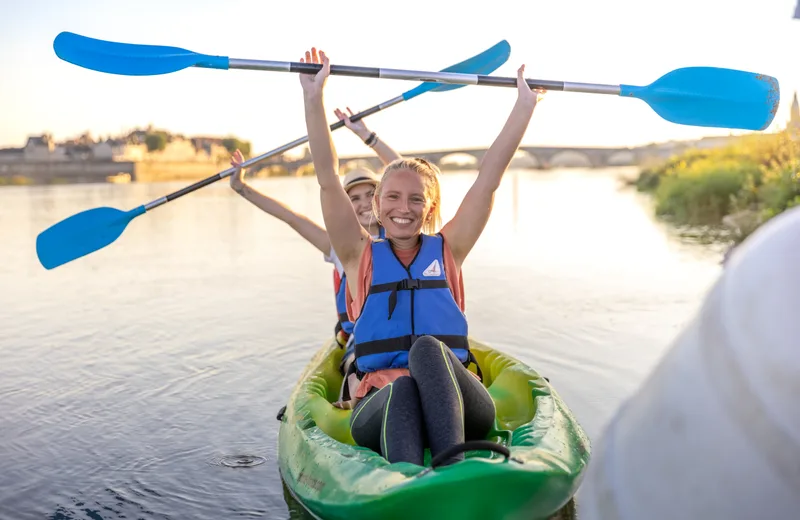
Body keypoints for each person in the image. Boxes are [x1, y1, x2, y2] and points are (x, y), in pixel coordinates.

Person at [299, 46, 545, 466]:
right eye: (392, 197)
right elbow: (327, 181)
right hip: (380, 403)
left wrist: (525, 105)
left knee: (429, 350)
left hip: (464, 404)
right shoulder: (359, 256)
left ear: (429, 209)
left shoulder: (449, 249)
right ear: (377, 205)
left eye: (416, 199)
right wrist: (313, 97)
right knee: (403, 389)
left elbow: (488, 180)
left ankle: (450, 465)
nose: (404, 207)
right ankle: (408, 480)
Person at [229, 108, 402, 401]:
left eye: (369, 196)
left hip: (408, 335)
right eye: (353, 198)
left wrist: (367, 135)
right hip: (365, 343)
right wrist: (241, 187)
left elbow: (405, 172)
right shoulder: (340, 247)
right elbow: (291, 217)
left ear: (383, 199)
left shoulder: (405, 235)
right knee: (360, 368)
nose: (362, 204)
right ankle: (359, 402)